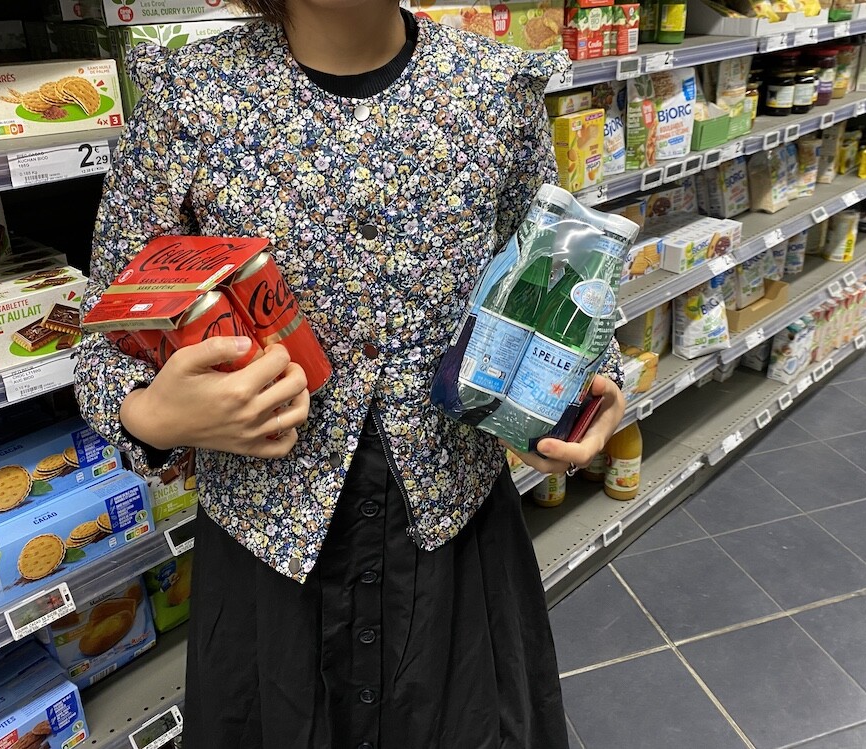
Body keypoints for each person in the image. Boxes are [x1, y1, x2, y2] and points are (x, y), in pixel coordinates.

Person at [74, 1, 627, 746]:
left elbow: (557, 270)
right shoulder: (187, 96)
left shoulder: (497, 86)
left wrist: (590, 383)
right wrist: (149, 415)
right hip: (269, 552)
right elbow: (103, 337)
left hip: (452, 536)